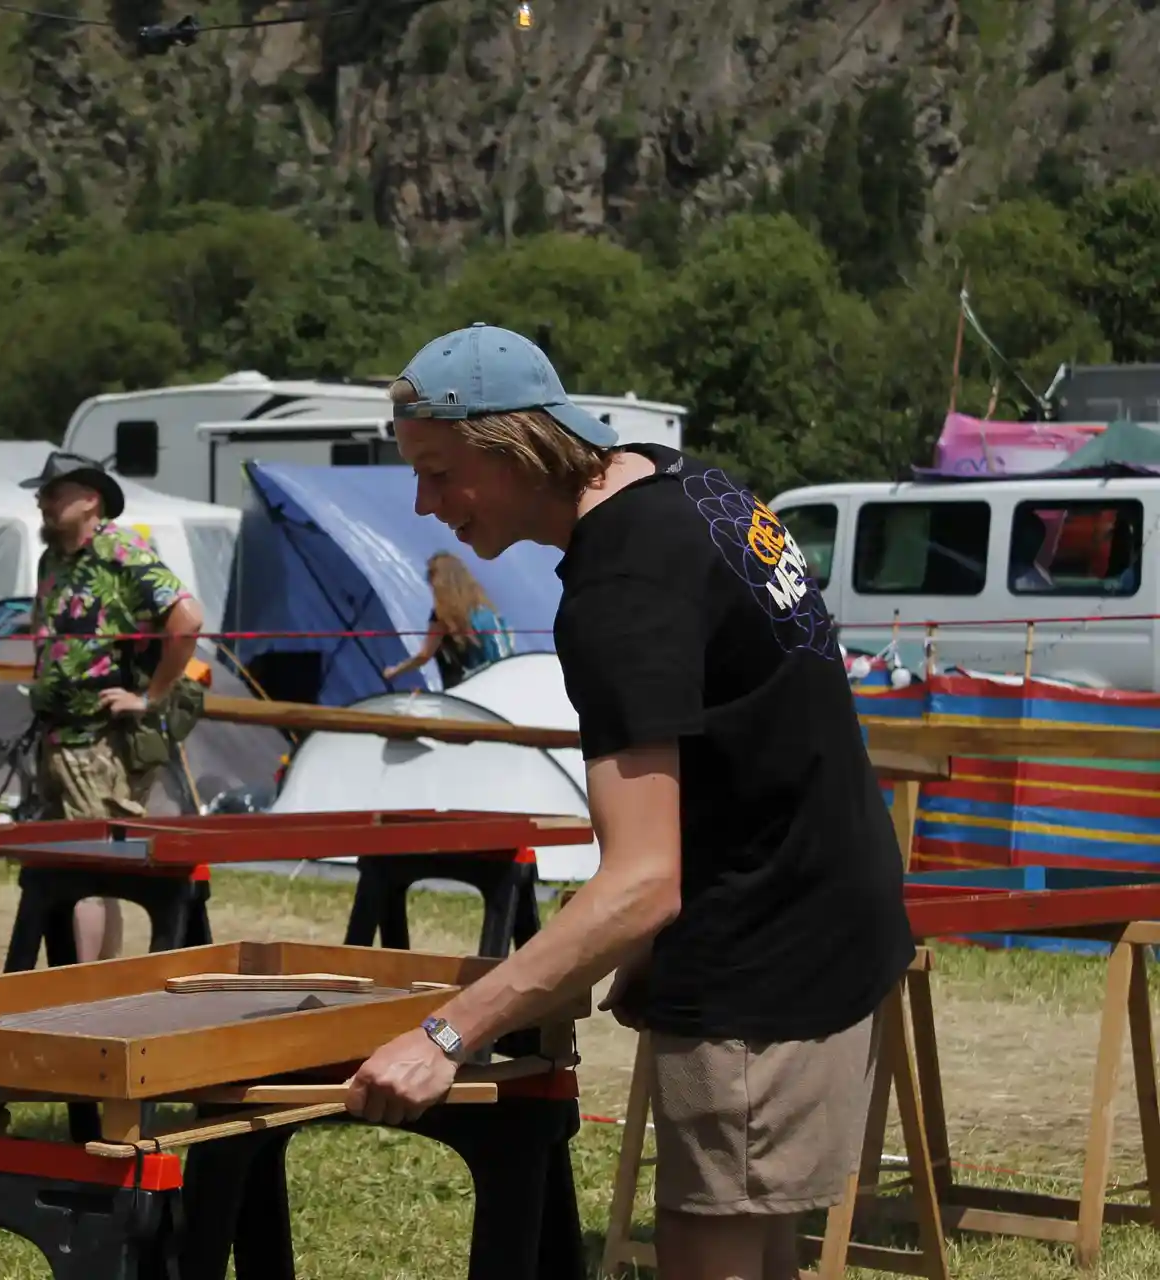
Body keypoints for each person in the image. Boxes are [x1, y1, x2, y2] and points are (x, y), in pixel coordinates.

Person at [343, 323, 914, 1280]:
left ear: (515, 445)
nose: (423, 504)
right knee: (759, 1239)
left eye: (440, 473)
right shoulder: (684, 483)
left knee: (709, 1243)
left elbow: (646, 882)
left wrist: (446, 1036)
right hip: (832, 905)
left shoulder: (618, 586)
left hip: (764, 944)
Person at [20, 450, 204, 962]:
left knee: (91, 870)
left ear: (90, 499)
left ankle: (90, 986)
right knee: (75, 870)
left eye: (53, 492)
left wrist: (151, 697)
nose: (42, 501)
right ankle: (87, 981)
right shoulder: (52, 559)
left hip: (103, 741)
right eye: (42, 493)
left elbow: (186, 620)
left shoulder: (122, 553)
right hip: (57, 735)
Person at [381, 551, 516, 688]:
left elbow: (424, 656)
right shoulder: (482, 605)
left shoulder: (443, 615)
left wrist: (395, 671)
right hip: (497, 682)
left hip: (465, 688)